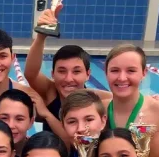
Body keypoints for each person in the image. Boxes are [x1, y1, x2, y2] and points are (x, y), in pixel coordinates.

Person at [24, 7, 111, 135]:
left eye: (76, 72)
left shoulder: (100, 99)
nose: (69, 79)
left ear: (88, 74)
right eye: (62, 71)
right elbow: (31, 74)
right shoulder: (50, 92)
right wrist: (41, 36)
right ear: (53, 74)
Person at [60, 90, 107, 157]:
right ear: (63, 126)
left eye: (89, 119)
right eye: (72, 122)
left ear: (103, 121)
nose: (81, 129)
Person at [0, 88, 35, 157]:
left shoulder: (39, 154)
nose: (11, 125)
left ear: (31, 122)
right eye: (4, 118)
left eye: (19, 119)